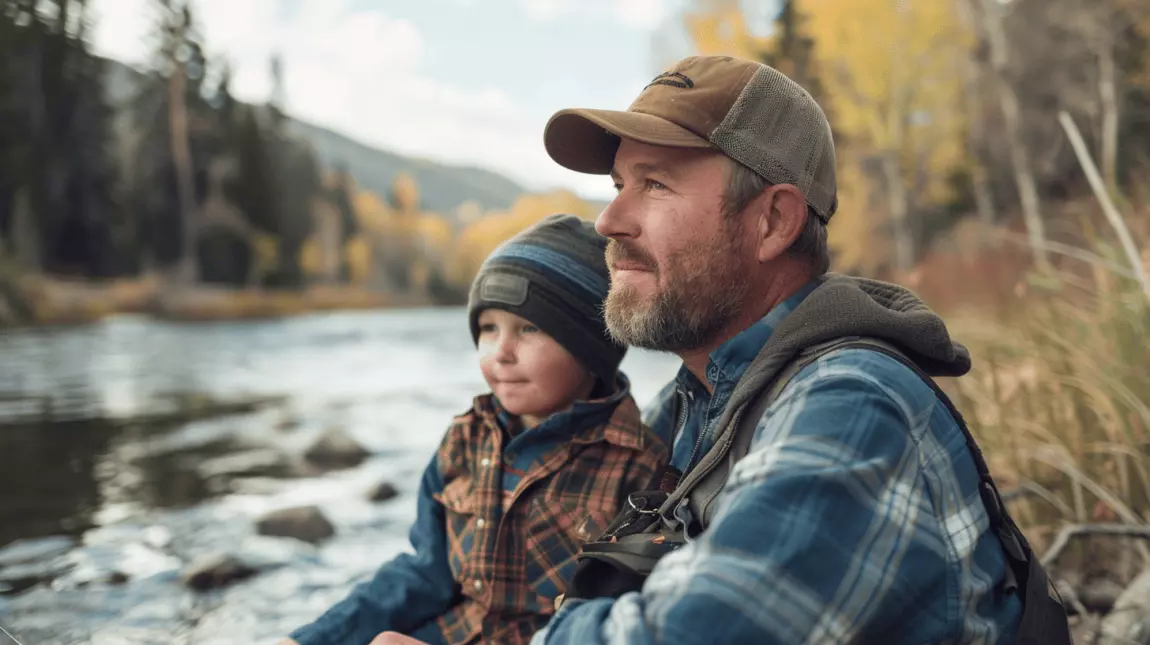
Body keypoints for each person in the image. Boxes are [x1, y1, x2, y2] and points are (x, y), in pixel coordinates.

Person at [511, 55, 1067, 645]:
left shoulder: (853, 402)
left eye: (655, 184)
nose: (607, 221)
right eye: (620, 185)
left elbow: (702, 631)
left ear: (773, 222)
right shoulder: (696, 405)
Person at [279, 213, 669, 645]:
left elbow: (612, 617)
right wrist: (310, 640)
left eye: (529, 328)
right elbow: (425, 573)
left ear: (590, 347)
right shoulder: (465, 441)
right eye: (488, 328)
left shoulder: (639, 467)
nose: (500, 352)